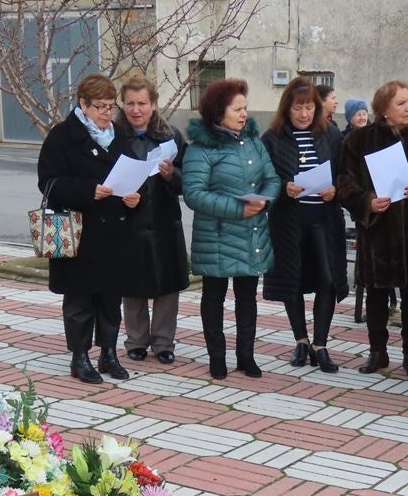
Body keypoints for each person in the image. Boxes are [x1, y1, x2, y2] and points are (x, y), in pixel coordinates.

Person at [336, 79, 408, 377]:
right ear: (383, 110)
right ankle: (377, 352)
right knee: (376, 297)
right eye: (401, 103)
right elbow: (344, 183)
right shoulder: (358, 141)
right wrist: (366, 202)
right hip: (378, 233)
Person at [37, 74, 140, 383]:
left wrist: (136, 198)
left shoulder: (119, 135)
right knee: (80, 298)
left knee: (111, 297)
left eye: (111, 107)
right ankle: (79, 357)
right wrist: (87, 191)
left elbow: (135, 174)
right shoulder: (62, 136)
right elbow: (48, 182)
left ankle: (108, 353)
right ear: (82, 104)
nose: (107, 114)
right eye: (100, 107)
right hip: (78, 230)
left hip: (115, 233)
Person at [183, 78, 280, 380]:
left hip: (252, 232)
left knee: (248, 296)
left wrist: (265, 201)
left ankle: (246, 356)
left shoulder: (253, 141)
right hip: (217, 235)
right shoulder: (202, 148)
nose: (244, 115)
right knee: (214, 295)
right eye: (237, 109)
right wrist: (238, 208)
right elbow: (194, 193)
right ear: (218, 112)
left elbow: (272, 179)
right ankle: (217, 357)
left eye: (245, 108)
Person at [261, 76, 349, 373]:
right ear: (287, 108)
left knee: (328, 279)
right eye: (298, 108)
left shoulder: (331, 135)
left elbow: (343, 175)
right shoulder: (272, 139)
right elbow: (265, 180)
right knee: (292, 281)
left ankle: (320, 345)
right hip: (289, 222)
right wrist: (283, 187)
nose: (304, 114)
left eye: (309, 107)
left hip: (324, 220)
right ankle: (301, 340)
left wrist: (335, 189)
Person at [115, 75, 189, 366]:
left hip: (163, 220)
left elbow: (188, 182)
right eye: (130, 103)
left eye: (142, 103)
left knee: (166, 285)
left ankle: (163, 342)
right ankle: (136, 341)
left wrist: (172, 175)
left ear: (154, 104)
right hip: (127, 219)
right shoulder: (114, 136)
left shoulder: (172, 136)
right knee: (131, 284)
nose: (136, 110)